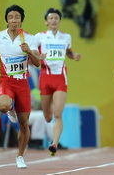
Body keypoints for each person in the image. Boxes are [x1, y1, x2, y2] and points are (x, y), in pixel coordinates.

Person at [0, 5, 41, 169]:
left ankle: (20, 156)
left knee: (24, 124)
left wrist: (29, 52)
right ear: (7, 20)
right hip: (6, 82)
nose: (14, 20)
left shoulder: (30, 39)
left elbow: (37, 64)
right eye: (11, 17)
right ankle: (9, 109)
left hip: (22, 84)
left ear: (21, 20)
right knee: (3, 105)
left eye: (17, 17)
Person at [34, 8, 81, 156]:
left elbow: (68, 51)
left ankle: (54, 143)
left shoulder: (66, 37)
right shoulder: (40, 37)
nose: (54, 20)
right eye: (51, 18)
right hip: (45, 78)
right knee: (47, 116)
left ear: (59, 21)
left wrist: (74, 56)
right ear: (46, 22)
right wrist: (38, 55)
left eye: (56, 18)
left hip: (60, 78)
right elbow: (33, 52)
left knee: (58, 114)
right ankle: (50, 128)